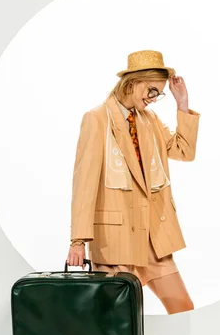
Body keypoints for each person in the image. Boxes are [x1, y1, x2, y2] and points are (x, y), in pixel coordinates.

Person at [66, 49, 201, 314]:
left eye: (158, 93)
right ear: (133, 83)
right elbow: (84, 183)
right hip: (116, 241)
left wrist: (182, 104)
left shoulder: (149, 120)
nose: (154, 99)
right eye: (152, 91)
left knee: (183, 307)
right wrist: (78, 241)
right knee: (119, 321)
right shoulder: (96, 119)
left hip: (154, 240)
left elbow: (183, 151)